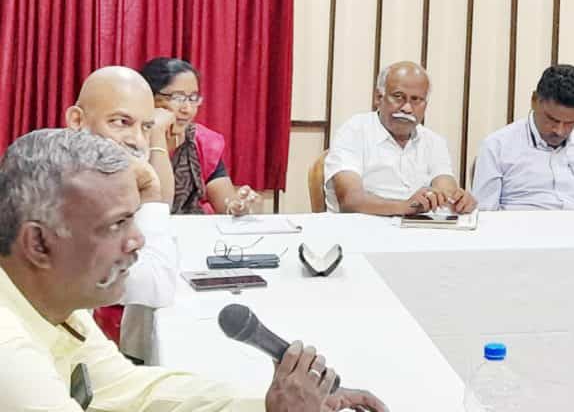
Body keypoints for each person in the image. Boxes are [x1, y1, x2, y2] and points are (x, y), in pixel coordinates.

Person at [0, 128, 387, 412]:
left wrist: (270, 406)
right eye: (116, 224)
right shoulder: (9, 351)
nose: (137, 240)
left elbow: (129, 391)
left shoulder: (50, 299)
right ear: (39, 244)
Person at [65, 66, 178, 357]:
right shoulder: (62, 188)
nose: (136, 140)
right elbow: (155, 286)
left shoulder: (97, 178)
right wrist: (150, 190)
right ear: (76, 120)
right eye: (120, 122)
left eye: (146, 127)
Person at [325, 61, 477, 215]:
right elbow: (350, 200)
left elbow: (445, 188)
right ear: (378, 97)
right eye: (398, 97)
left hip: (418, 227)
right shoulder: (354, 131)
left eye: (416, 99)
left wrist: (457, 201)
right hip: (362, 226)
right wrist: (405, 207)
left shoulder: (434, 141)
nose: (407, 108)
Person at [472, 65, 574, 210]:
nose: (559, 131)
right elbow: (485, 213)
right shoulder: (497, 147)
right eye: (552, 119)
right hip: (519, 224)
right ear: (534, 101)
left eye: (570, 123)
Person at [139, 57, 257, 215]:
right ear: (149, 97)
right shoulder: (129, 141)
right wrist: (157, 132)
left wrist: (237, 206)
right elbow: (158, 208)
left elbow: (225, 204)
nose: (187, 109)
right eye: (177, 98)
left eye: (193, 98)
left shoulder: (203, 141)